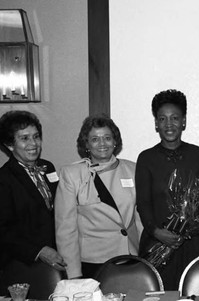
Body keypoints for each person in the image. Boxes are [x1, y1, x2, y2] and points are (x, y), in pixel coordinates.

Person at [136, 89, 199, 290]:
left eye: (175, 118)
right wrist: (158, 232)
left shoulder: (197, 155)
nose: (169, 124)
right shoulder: (146, 158)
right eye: (163, 118)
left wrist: (192, 228)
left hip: (192, 243)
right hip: (157, 242)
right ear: (156, 124)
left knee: (194, 293)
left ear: (184, 121)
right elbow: (143, 203)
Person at [55, 115, 142, 279]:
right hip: (93, 261)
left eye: (107, 138)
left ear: (115, 141)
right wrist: (73, 275)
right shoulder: (72, 174)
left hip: (128, 255)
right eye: (95, 139)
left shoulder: (133, 169)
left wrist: (147, 255)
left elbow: (140, 219)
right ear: (86, 144)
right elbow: (66, 229)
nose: (102, 144)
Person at [0, 110, 66, 288]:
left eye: (36, 136)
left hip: (54, 266)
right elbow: (0, 233)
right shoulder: (0, 180)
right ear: (9, 144)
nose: (33, 144)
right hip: (20, 267)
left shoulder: (48, 167)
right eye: (24, 138)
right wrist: (40, 251)